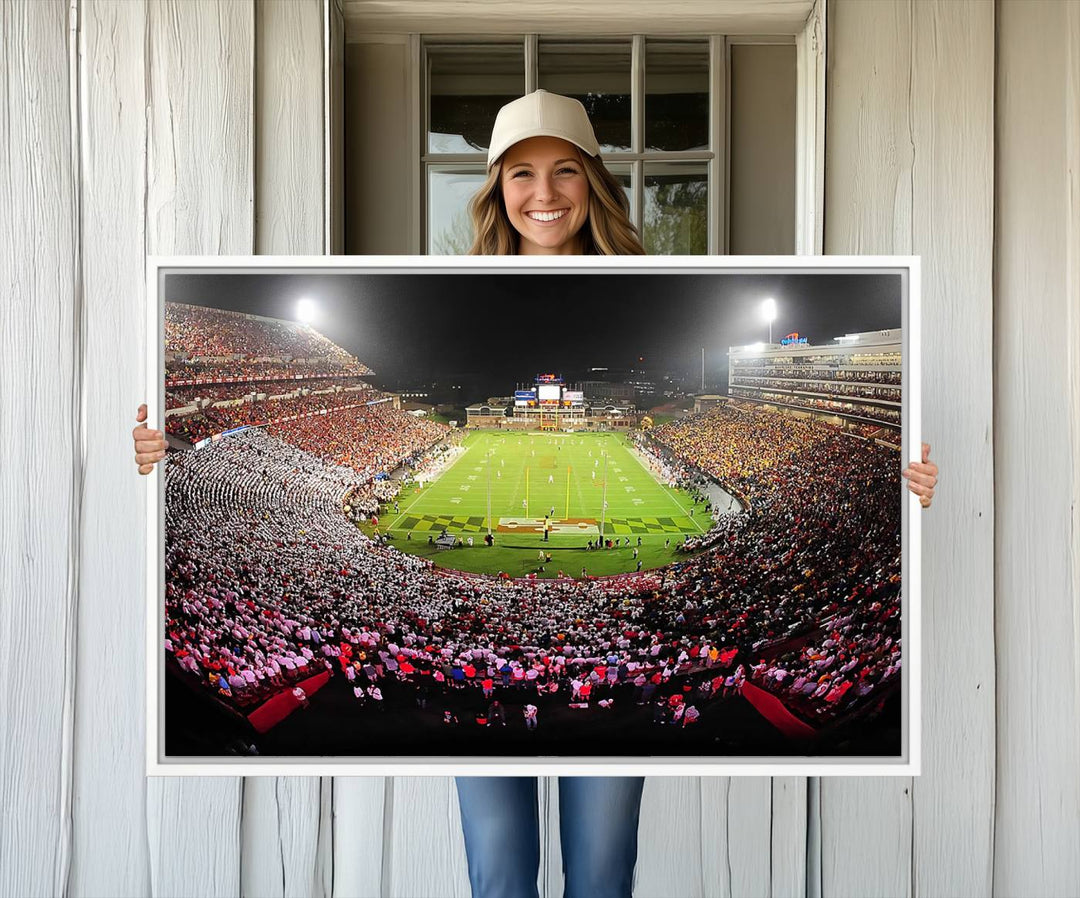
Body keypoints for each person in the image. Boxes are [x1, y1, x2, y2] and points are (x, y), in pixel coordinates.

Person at [133, 88, 940, 898]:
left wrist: (903, 485)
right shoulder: (456, 276)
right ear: (496, 188)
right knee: (500, 874)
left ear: (593, 180)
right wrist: (165, 450)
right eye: (521, 173)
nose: (544, 193)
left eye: (564, 172)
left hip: (562, 728)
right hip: (514, 725)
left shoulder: (649, 279)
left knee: (600, 873)